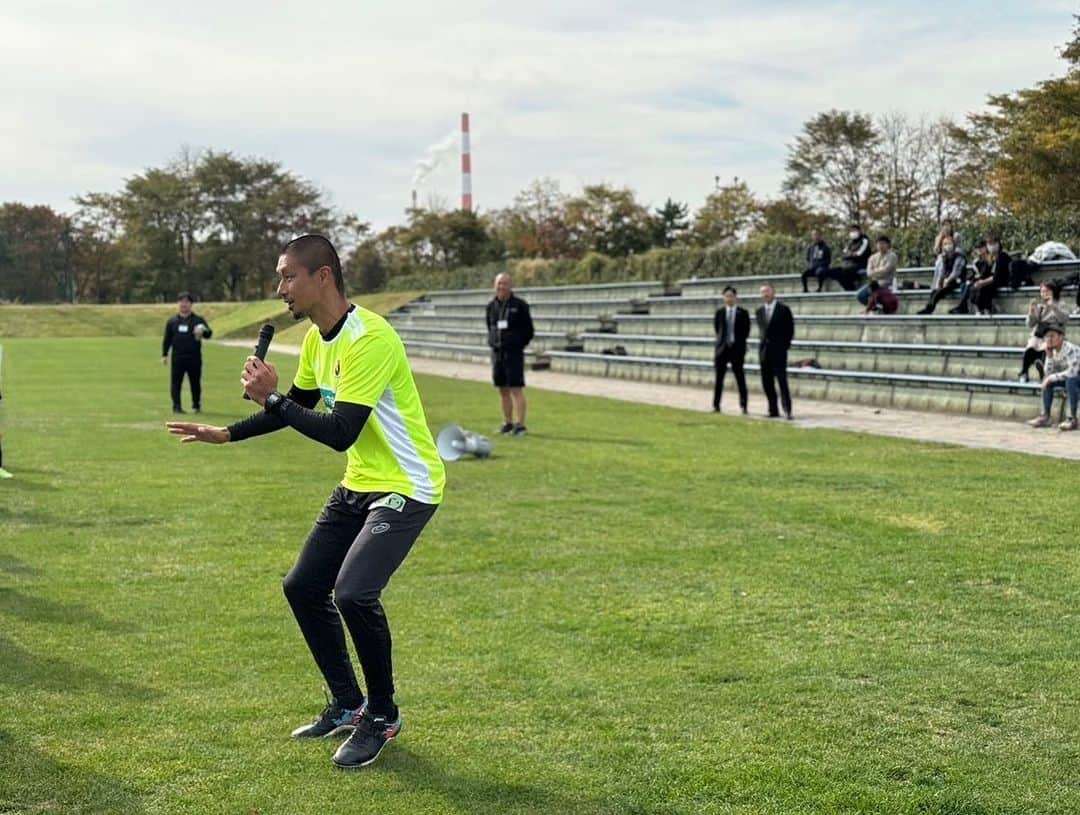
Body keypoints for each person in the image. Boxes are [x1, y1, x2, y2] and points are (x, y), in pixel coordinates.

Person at [166, 234, 445, 769]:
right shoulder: (317, 339)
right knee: (302, 586)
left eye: (288, 276)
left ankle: (382, 715)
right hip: (361, 481)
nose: (280, 288)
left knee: (354, 593)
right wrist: (228, 433)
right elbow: (295, 407)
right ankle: (347, 703)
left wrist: (269, 396)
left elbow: (339, 430)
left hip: (407, 485)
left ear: (323, 277)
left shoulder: (370, 339)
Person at [486, 273, 534, 435]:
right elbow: (490, 327)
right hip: (497, 354)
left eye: (505, 284)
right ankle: (508, 423)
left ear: (510, 286)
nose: (501, 287)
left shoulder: (520, 306)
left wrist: (517, 344)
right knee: (503, 390)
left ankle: (521, 425)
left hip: (513, 354)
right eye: (499, 284)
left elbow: (529, 330)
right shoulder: (491, 306)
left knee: (516, 389)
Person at [162, 292, 213, 414]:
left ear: (191, 304)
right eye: (181, 301)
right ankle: (177, 406)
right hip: (177, 357)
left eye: (186, 302)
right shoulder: (172, 321)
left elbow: (209, 333)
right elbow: (167, 339)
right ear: (178, 304)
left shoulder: (198, 320)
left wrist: (203, 333)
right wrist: (164, 354)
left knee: (195, 382)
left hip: (194, 357)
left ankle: (196, 405)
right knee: (176, 382)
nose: (183, 304)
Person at [1026, 320, 1080, 431]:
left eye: (1052, 336)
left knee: (1070, 380)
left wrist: (1051, 378)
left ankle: (1072, 419)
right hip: (1071, 379)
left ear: (1061, 337)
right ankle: (1046, 417)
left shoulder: (1070, 349)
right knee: (1049, 382)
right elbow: (1048, 374)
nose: (1049, 339)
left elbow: (1072, 372)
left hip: (1075, 377)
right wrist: (1049, 357)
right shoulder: (1053, 350)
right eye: (1047, 336)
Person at [755, 284, 795, 419]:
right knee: (767, 382)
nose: (765, 294)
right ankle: (773, 409)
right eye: (763, 292)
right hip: (764, 351)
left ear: (773, 292)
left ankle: (787, 409)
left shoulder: (783, 310)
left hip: (779, 351)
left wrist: (784, 346)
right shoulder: (759, 311)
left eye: (767, 291)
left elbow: (790, 330)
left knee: (782, 381)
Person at [1019, 280, 1069, 382]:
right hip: (1039, 334)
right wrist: (1031, 313)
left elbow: (1063, 319)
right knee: (1030, 348)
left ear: (1053, 291)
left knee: (1046, 347)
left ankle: (1044, 372)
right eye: (1042, 292)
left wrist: (1053, 307)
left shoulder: (1060, 304)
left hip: (1054, 333)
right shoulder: (1041, 306)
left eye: (1046, 291)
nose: (1044, 294)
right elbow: (1030, 324)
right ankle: (1024, 372)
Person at [712, 286, 750, 413]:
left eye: (731, 296)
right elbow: (718, 330)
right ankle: (716, 405)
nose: (729, 298)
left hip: (737, 349)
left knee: (740, 378)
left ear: (735, 297)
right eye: (726, 296)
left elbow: (746, 331)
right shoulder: (719, 313)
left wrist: (738, 343)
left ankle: (744, 405)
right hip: (722, 350)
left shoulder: (743, 313)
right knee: (719, 379)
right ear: (724, 298)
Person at [916, 238, 967, 314]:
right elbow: (942, 271)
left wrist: (947, 280)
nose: (947, 246)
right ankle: (928, 308)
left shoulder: (959, 256)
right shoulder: (944, 257)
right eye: (945, 244)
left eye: (949, 243)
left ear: (953, 244)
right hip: (948, 280)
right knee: (935, 291)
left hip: (957, 280)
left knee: (940, 291)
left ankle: (929, 309)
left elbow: (956, 272)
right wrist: (940, 282)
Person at [968, 235, 1011, 315]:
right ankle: (980, 309)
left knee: (984, 288)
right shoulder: (989, 258)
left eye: (994, 243)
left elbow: (997, 276)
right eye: (990, 244)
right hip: (991, 280)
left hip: (1001, 280)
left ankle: (987, 308)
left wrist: (983, 282)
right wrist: (979, 281)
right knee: (973, 286)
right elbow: (985, 273)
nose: (992, 246)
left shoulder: (1003, 256)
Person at [826, 224, 871, 291]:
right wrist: (850, 255)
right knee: (832, 271)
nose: (853, 233)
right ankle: (849, 287)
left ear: (860, 231)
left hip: (860, 264)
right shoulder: (850, 242)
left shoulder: (864, 240)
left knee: (845, 271)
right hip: (848, 264)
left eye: (855, 231)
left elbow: (859, 254)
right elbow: (843, 254)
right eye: (851, 231)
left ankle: (851, 287)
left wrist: (849, 255)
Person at [857, 235, 897, 307]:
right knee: (860, 295)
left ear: (888, 245)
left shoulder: (892, 256)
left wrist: (874, 271)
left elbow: (886, 270)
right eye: (879, 244)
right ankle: (875, 307)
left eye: (883, 243)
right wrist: (879, 271)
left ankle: (878, 306)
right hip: (874, 284)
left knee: (876, 293)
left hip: (887, 282)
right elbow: (869, 273)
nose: (881, 246)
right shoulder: (872, 257)